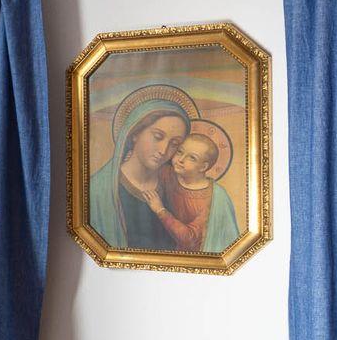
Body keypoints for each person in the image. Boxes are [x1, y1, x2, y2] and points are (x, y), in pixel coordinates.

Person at [86, 95, 190, 252]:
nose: (163, 150)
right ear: (135, 133)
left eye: (174, 144)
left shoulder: (176, 187)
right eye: (158, 137)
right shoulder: (98, 190)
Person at [149, 131, 239, 254]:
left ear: (203, 167)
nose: (181, 159)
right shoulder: (167, 174)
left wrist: (160, 211)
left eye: (192, 158)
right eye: (180, 152)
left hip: (192, 256)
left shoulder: (212, 198)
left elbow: (189, 239)